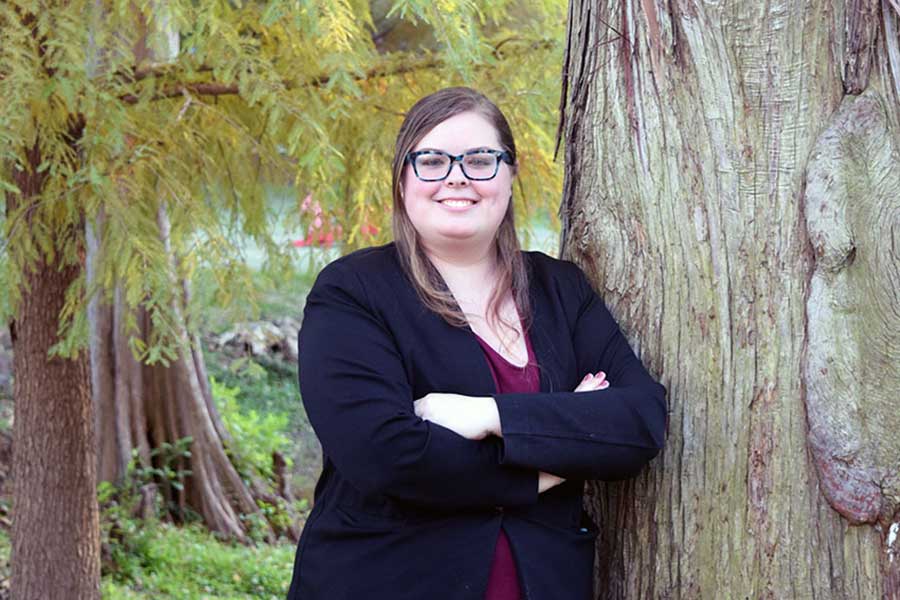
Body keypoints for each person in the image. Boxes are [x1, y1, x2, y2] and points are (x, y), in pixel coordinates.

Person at [285, 87, 667, 600]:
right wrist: (557, 455)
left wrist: (486, 415)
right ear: (403, 181)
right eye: (433, 161)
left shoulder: (560, 288)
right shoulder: (354, 292)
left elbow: (640, 421)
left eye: (481, 160)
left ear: (509, 176)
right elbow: (385, 455)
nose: (457, 176)